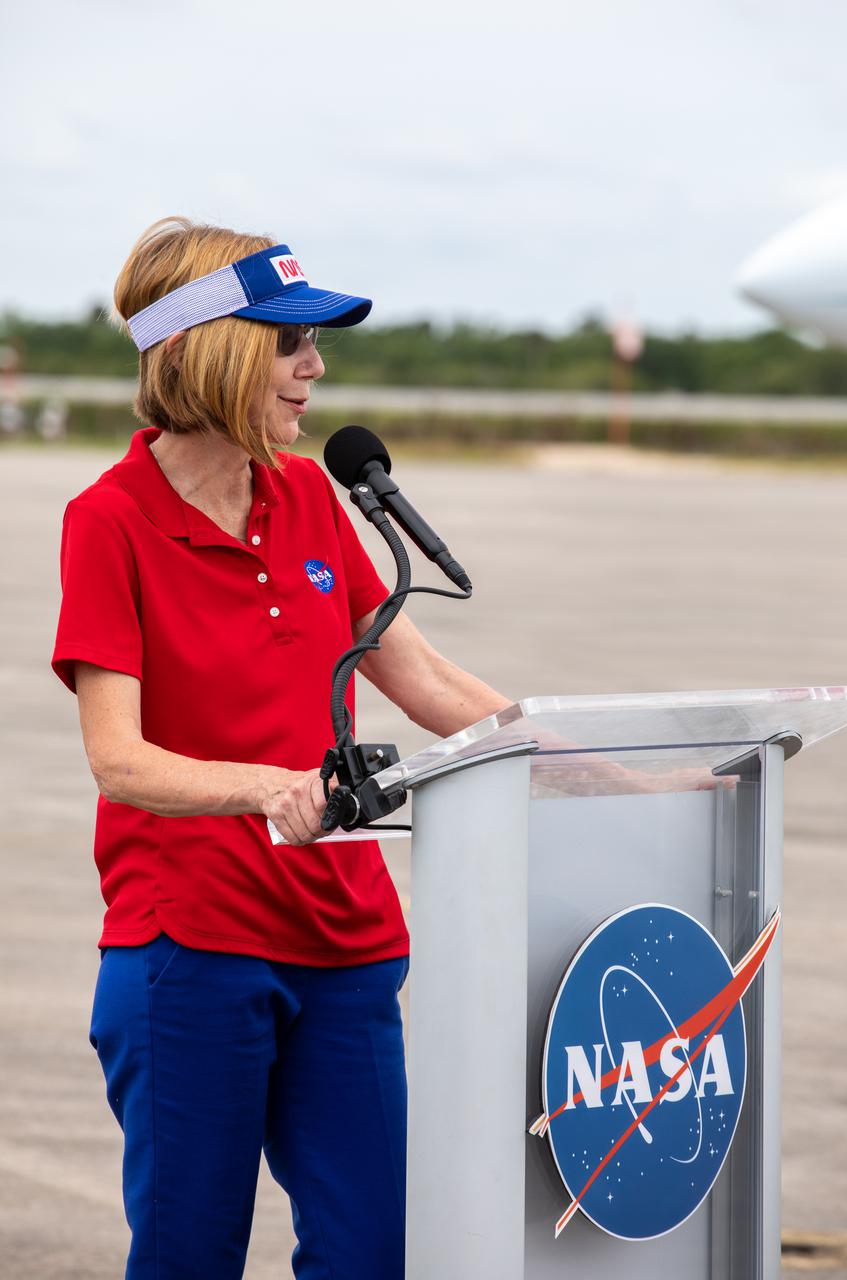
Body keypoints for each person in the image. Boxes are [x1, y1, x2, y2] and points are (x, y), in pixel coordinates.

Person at [51, 217, 511, 1280]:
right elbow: (117, 756)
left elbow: (429, 681)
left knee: (373, 1254)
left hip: (346, 946)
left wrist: (608, 769)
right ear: (210, 350)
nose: (316, 367)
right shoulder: (108, 520)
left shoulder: (308, 494)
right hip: (192, 954)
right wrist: (267, 786)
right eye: (289, 342)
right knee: (188, 1257)